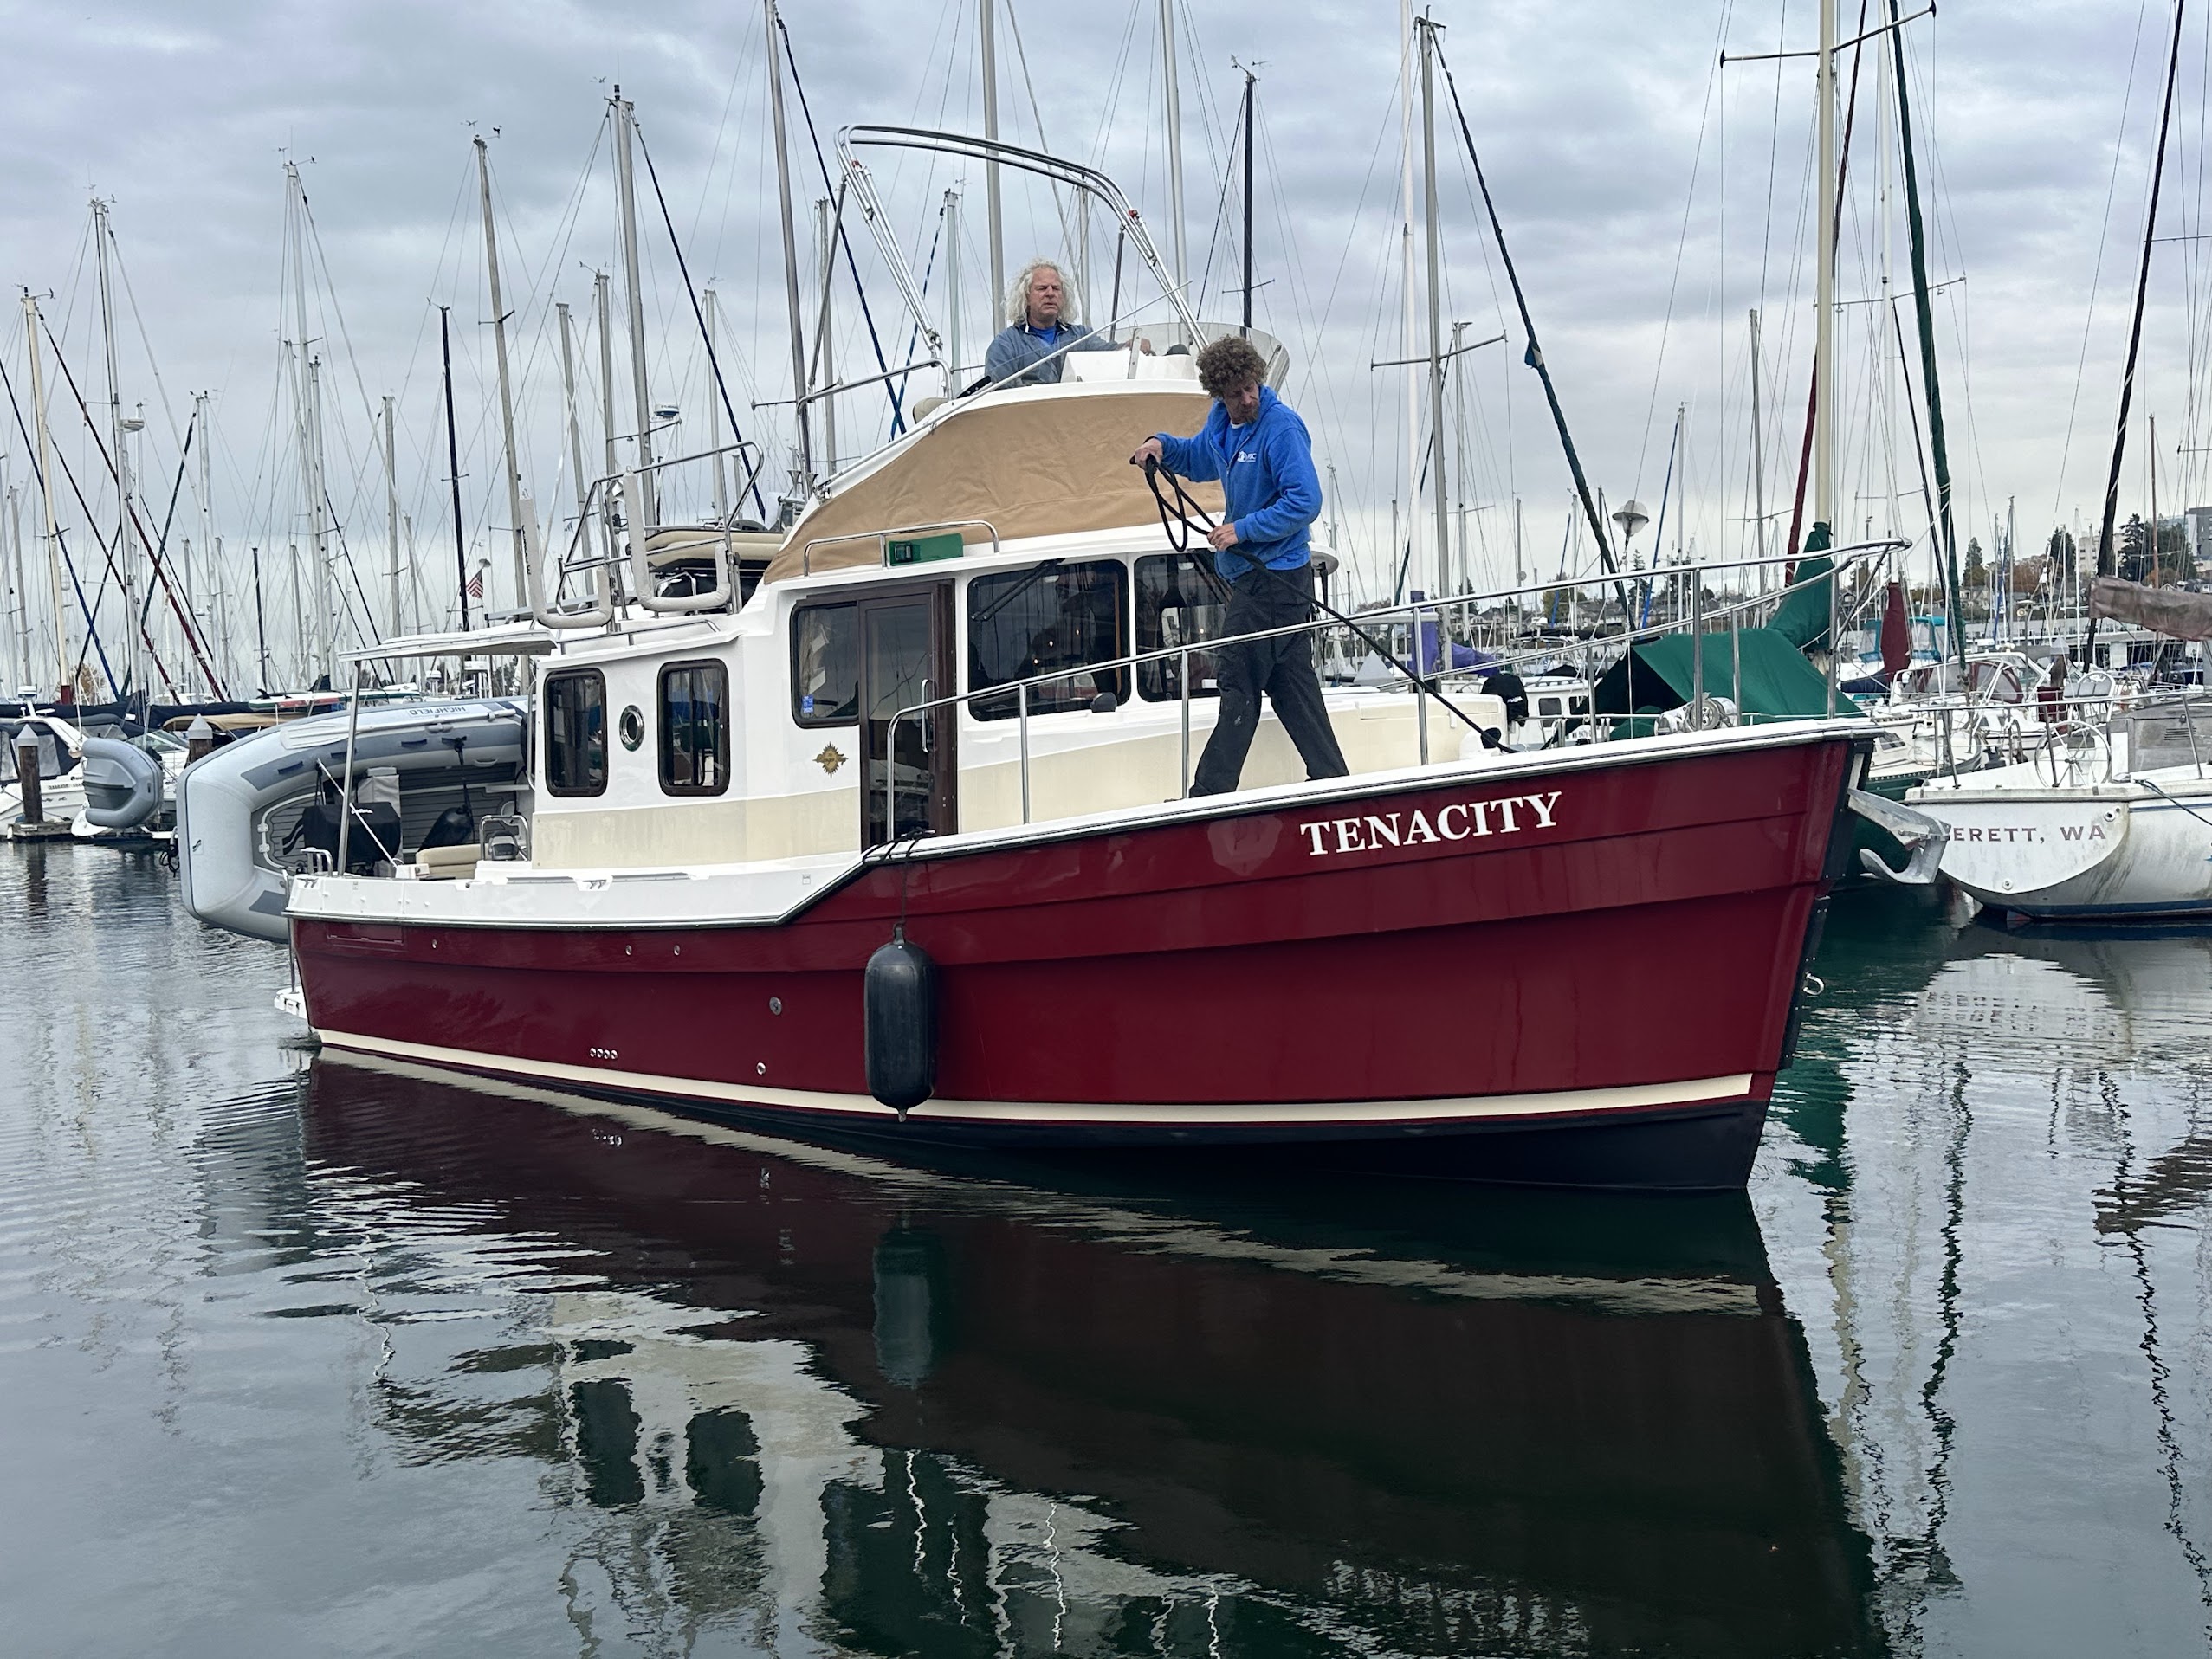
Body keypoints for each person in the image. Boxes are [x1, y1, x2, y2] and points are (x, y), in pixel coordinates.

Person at [1130, 336, 1350, 797]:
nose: (1247, 399)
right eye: (1236, 394)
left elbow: (1305, 501)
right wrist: (1160, 446)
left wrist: (1242, 529)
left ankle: (1208, 796)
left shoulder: (1281, 427)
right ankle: (1333, 782)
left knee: (1238, 677)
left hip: (1276, 578)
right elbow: (1199, 457)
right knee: (1291, 683)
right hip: (1256, 578)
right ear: (1219, 395)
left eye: (1251, 388)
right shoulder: (1222, 423)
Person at [984, 260, 1124, 387]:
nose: (1050, 293)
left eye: (1056, 288)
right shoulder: (1006, 345)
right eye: (1042, 288)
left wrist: (1129, 347)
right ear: (1026, 297)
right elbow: (1001, 394)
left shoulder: (1081, 336)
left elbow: (1109, 354)